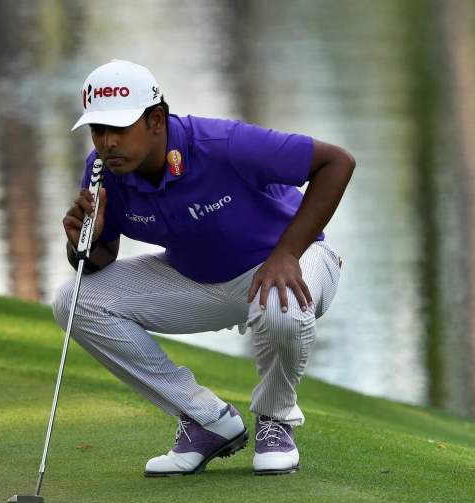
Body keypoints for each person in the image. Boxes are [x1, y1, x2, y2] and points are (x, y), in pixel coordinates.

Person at [53, 60, 354, 476]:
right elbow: (100, 262)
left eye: (119, 129)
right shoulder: (104, 172)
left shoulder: (223, 143)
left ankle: (275, 420)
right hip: (197, 280)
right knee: (74, 300)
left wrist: (286, 254)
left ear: (156, 120)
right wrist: (82, 245)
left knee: (280, 302)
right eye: (98, 130)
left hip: (291, 262)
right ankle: (207, 420)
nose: (107, 143)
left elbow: (337, 162)